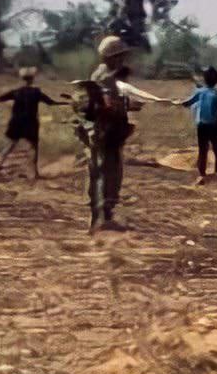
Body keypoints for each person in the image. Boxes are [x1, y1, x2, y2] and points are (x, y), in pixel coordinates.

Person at [73, 35, 172, 233]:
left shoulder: (101, 74)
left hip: (102, 132)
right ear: (110, 57)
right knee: (108, 174)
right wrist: (130, 105)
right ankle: (102, 218)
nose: (122, 60)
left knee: (99, 173)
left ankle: (99, 218)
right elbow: (108, 105)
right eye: (119, 56)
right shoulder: (106, 78)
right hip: (105, 132)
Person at [0, 66, 66, 178]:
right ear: (32, 79)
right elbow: (51, 103)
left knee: (11, 144)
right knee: (34, 147)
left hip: (16, 121)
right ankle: (35, 172)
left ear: (22, 79)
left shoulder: (16, 92)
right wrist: (65, 103)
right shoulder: (36, 92)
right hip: (30, 122)